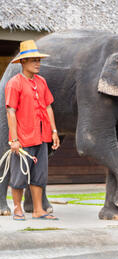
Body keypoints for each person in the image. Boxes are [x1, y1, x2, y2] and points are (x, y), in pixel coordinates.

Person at [5, 40, 60, 221]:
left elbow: (48, 107)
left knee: (39, 176)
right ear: (22, 62)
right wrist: (14, 139)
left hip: (41, 136)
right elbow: (10, 111)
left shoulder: (42, 82)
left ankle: (38, 210)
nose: (37, 63)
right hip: (23, 138)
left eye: (38, 60)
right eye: (33, 60)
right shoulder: (15, 83)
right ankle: (18, 208)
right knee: (19, 176)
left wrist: (53, 132)